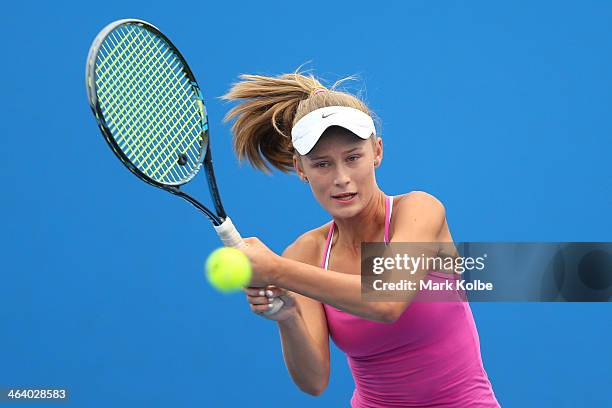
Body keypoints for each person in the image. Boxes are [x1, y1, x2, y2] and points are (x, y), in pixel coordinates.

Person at [221, 72, 500, 407]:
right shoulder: (305, 253)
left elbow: (386, 304)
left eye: (353, 157)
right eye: (322, 164)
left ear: (376, 152)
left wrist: (275, 270)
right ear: (300, 168)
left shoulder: (420, 210)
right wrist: (288, 316)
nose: (341, 178)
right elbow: (314, 381)